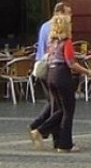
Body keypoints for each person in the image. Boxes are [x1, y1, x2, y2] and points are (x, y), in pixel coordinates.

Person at [30, 11, 83, 152]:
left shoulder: (52, 43)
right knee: (68, 110)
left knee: (59, 109)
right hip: (62, 76)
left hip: (51, 76)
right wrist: (88, 72)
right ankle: (62, 143)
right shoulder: (67, 42)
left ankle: (56, 140)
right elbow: (71, 63)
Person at [28, 2, 72, 144]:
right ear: (59, 12)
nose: (70, 16)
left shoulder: (45, 26)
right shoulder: (56, 27)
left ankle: (40, 128)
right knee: (58, 106)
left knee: (54, 104)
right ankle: (45, 132)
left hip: (44, 65)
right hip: (51, 68)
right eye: (68, 12)